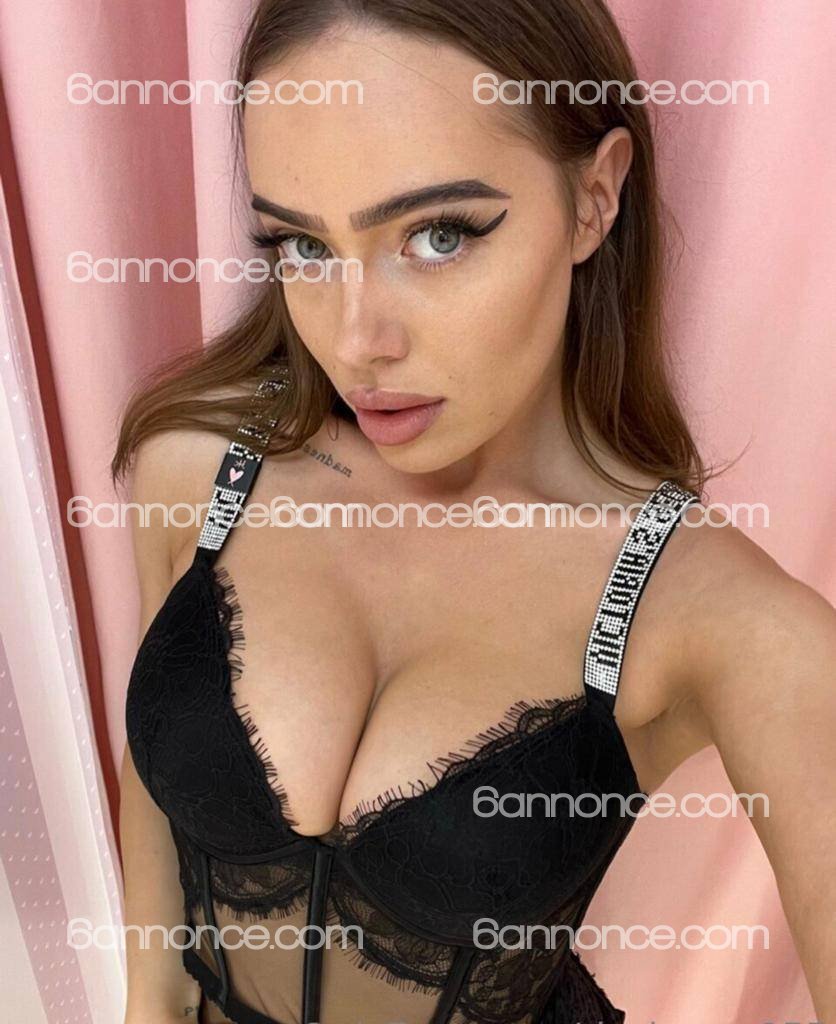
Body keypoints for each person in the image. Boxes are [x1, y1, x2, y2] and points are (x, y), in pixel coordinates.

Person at [113, 2, 836, 1022]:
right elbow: (152, 823)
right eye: (302, 245)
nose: (356, 340)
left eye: (438, 235)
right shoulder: (197, 472)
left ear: (593, 199)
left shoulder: (723, 622)